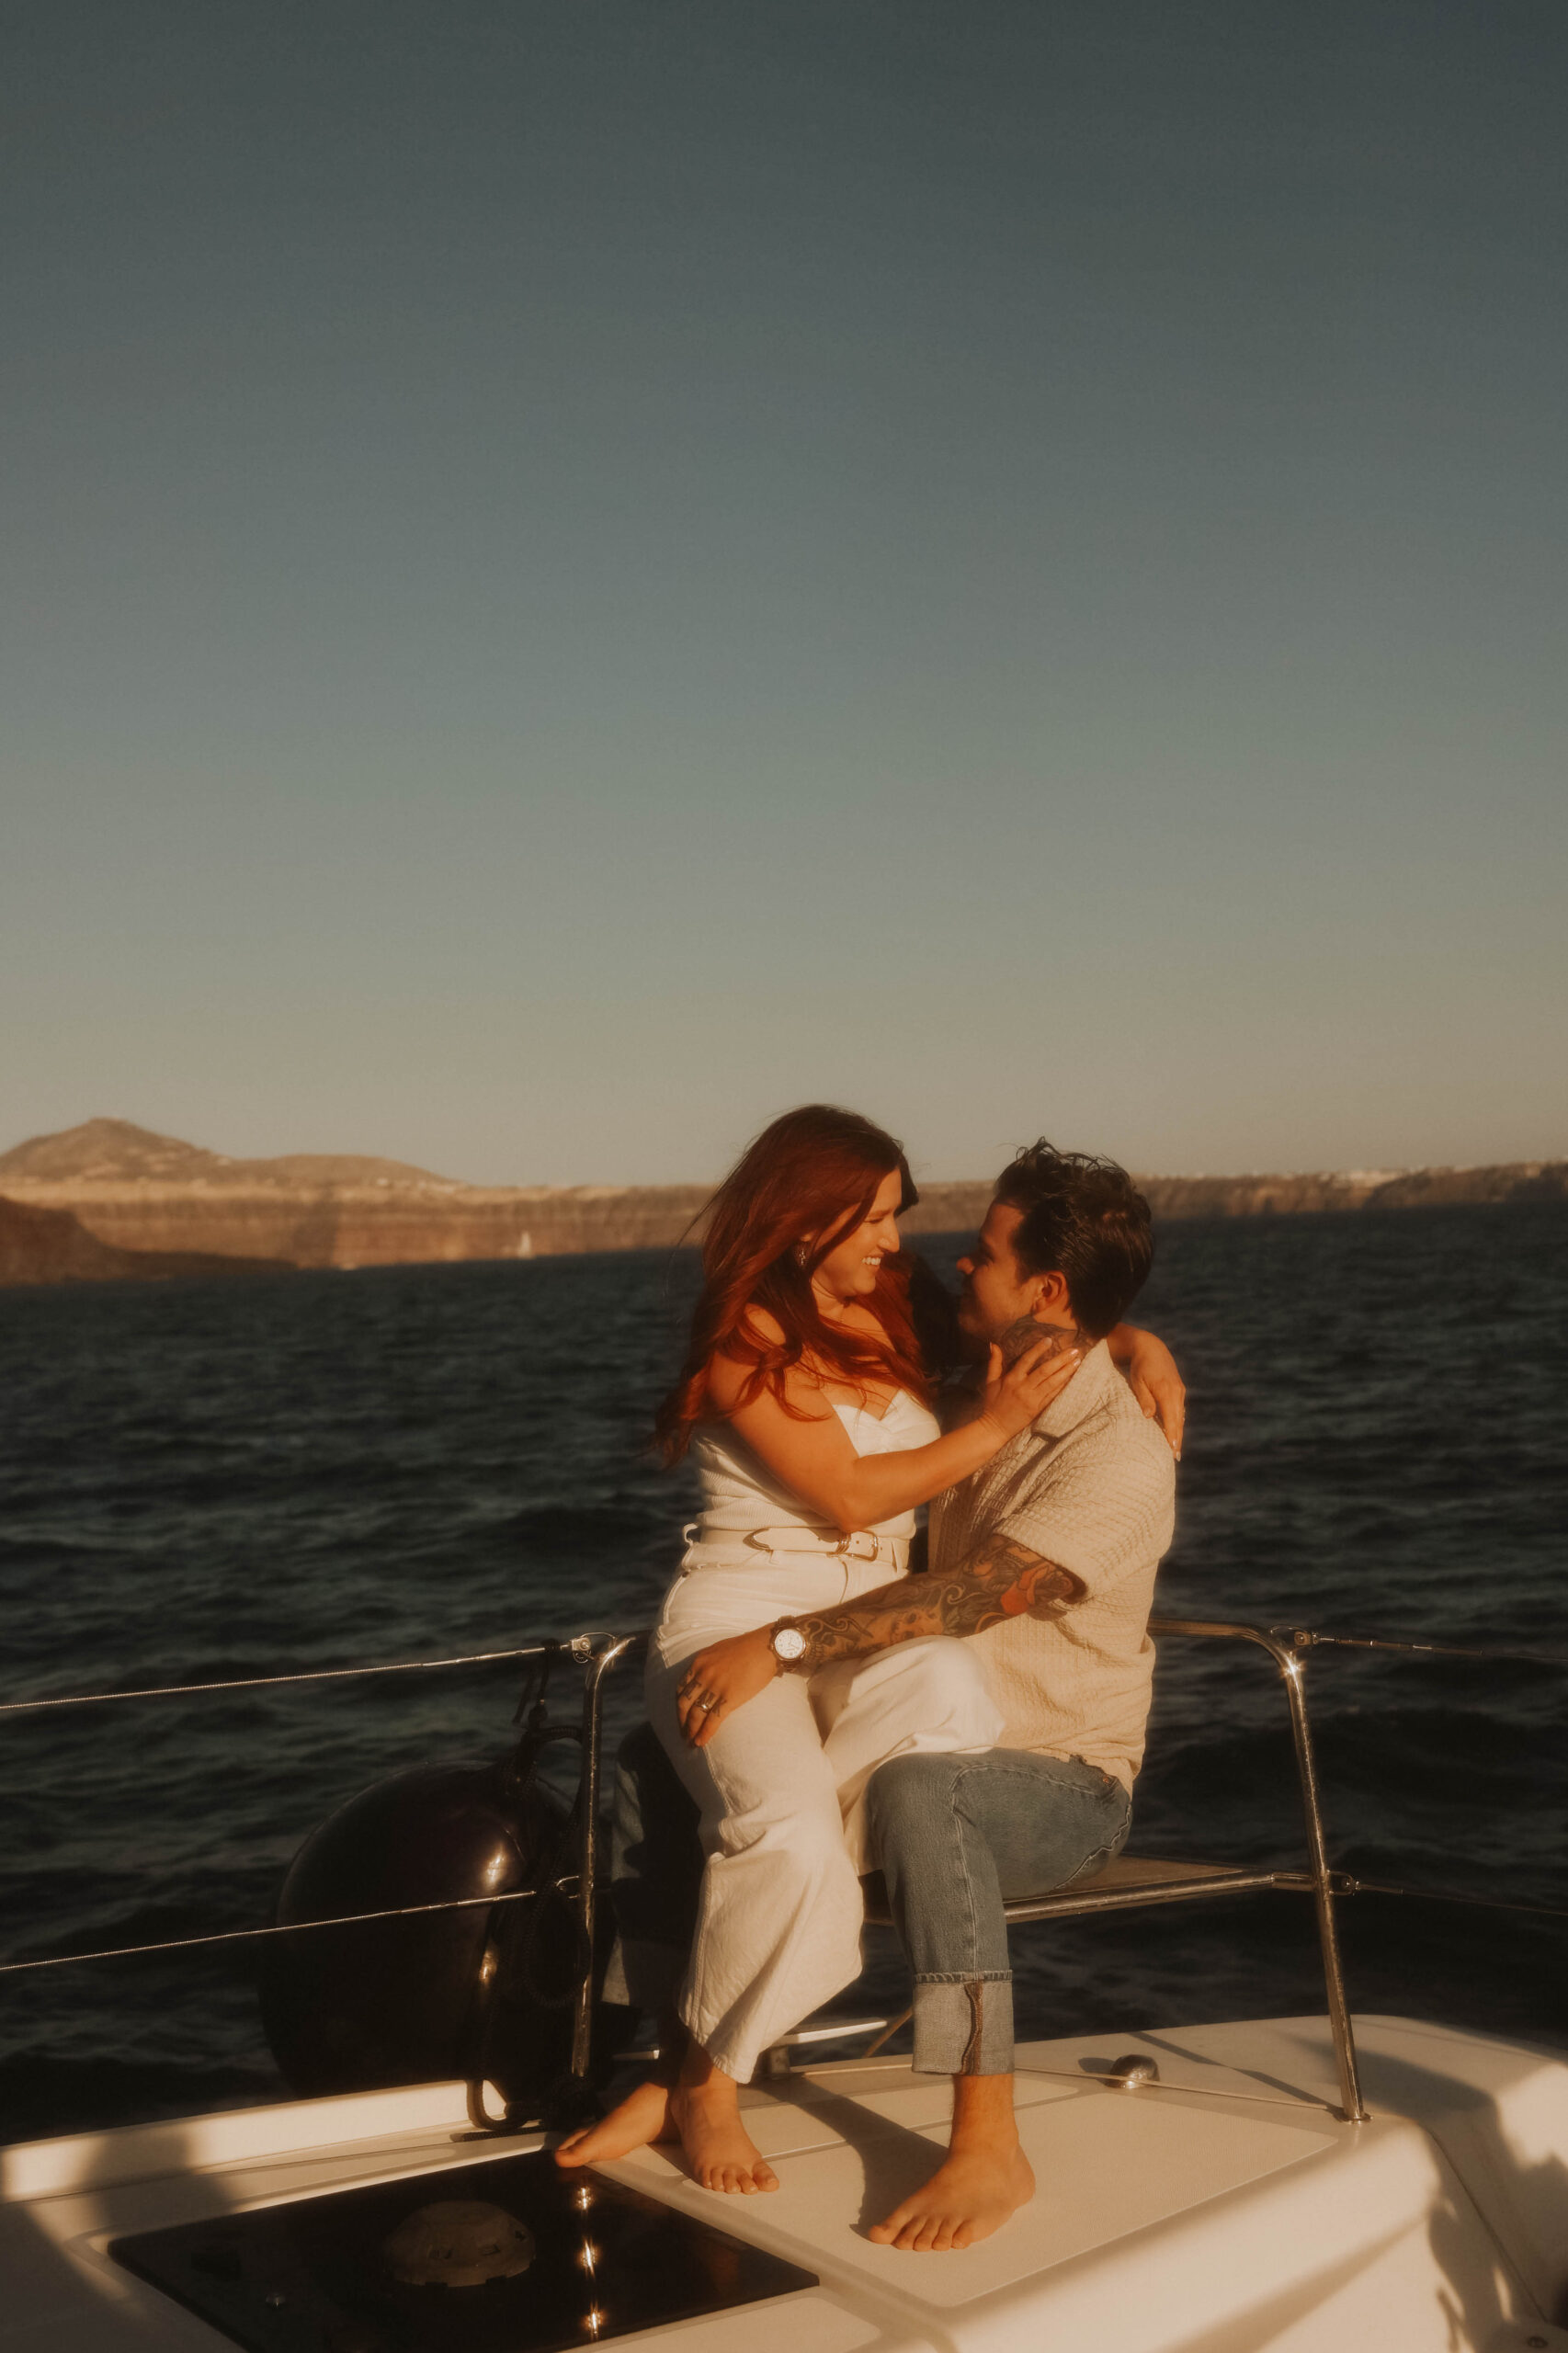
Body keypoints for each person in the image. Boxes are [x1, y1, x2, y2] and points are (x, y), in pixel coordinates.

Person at [557, 1110, 1181, 2201]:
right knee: (718, 1789)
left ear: (1042, 1295)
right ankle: (693, 2065)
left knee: (906, 1784)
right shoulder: (934, 1346)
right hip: (856, 1659)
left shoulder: (1112, 1456)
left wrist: (1128, 1338)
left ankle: (981, 2134)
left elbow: (970, 1596)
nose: (928, 1251)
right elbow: (858, 1486)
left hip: (1055, 1774)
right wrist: (1117, 1339)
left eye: (974, 1249)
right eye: (884, 1216)